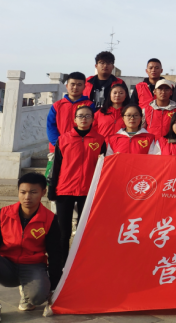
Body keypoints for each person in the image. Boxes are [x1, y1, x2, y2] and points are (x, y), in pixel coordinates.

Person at [0, 172, 63, 323]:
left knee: (38, 298)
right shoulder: (4, 213)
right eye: (23, 192)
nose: (27, 197)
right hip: (7, 266)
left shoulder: (50, 219)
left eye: (33, 192)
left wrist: (53, 288)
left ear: (43, 192)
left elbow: (55, 255)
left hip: (33, 265)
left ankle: (27, 294)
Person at [47, 106, 105, 261]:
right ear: (74, 119)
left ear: (93, 119)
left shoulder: (100, 140)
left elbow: (103, 167)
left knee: (82, 230)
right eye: (80, 116)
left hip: (89, 190)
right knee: (63, 230)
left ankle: (78, 263)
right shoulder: (63, 139)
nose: (83, 119)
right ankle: (61, 264)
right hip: (65, 189)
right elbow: (56, 165)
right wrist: (52, 187)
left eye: (87, 116)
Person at [46, 72, 94, 154]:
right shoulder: (57, 105)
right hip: (58, 148)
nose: (75, 87)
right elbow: (50, 126)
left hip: (80, 147)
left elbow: (93, 125)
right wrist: (58, 143)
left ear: (84, 87)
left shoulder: (89, 105)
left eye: (79, 84)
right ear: (67, 86)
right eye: (72, 84)